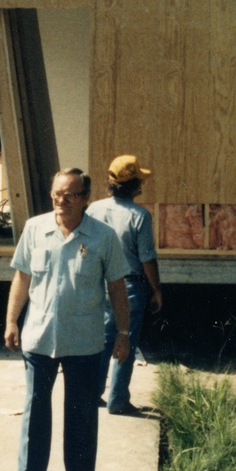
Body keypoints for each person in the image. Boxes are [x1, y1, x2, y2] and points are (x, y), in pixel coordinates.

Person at [4, 168, 131, 471]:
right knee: (35, 409)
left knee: (82, 411)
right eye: (57, 193)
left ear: (86, 199)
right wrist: (11, 321)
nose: (62, 200)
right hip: (39, 336)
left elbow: (117, 287)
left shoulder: (103, 236)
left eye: (71, 195)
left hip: (85, 340)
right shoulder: (35, 229)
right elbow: (22, 277)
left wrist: (123, 332)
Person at [87, 155, 163, 415]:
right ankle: (118, 400)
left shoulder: (94, 209)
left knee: (102, 340)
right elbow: (147, 259)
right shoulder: (140, 215)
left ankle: (91, 393)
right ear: (134, 185)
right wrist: (156, 289)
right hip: (129, 285)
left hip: (99, 282)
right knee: (125, 342)